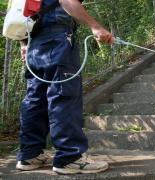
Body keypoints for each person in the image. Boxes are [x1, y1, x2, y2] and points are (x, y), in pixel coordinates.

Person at [16, 0, 114, 175]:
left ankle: (30, 154)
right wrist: (95, 26)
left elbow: (19, 12)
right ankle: (70, 157)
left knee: (34, 98)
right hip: (57, 40)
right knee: (64, 96)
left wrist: (23, 44)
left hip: (34, 42)